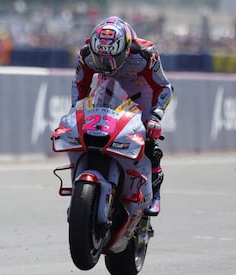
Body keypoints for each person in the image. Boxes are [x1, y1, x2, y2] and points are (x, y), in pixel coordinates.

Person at [71, 16, 173, 216]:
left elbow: (164, 87)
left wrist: (155, 117)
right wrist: (75, 109)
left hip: (139, 95)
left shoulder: (145, 54)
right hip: (106, 92)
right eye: (100, 58)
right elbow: (79, 84)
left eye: (112, 58)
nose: (106, 64)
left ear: (126, 48)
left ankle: (155, 193)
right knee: (88, 134)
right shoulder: (85, 54)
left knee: (148, 141)